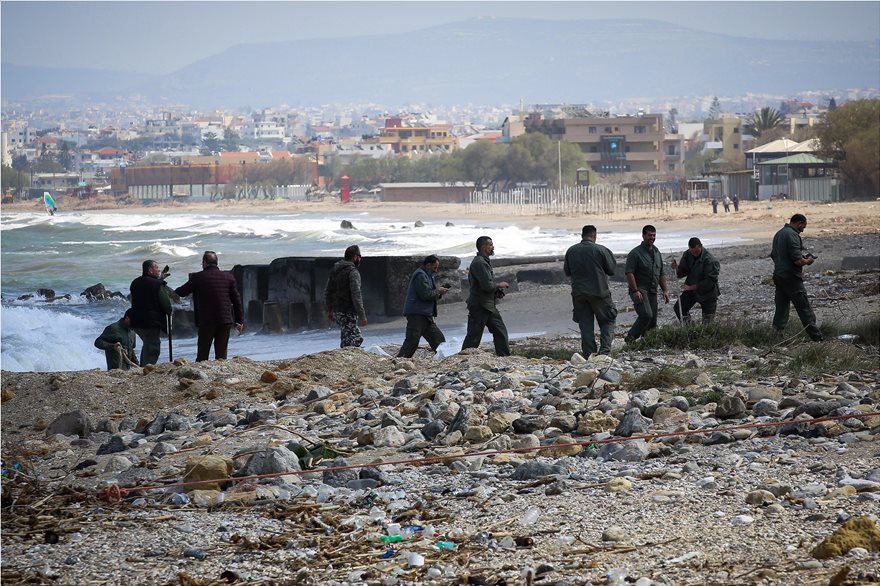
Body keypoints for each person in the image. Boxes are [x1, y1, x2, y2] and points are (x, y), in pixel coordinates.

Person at [174, 251, 244, 361]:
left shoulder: (198, 277)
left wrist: (168, 290)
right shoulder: (228, 277)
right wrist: (239, 321)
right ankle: (220, 376)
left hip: (206, 320)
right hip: (225, 320)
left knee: (203, 354)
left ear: (205, 263)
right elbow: (237, 300)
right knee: (221, 356)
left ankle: (201, 376)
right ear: (216, 262)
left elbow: (181, 292)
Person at [563, 225, 618, 356]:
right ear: (594, 235)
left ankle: (589, 354)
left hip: (579, 294)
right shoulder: (601, 250)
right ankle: (604, 352)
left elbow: (567, 271)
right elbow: (611, 270)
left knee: (585, 325)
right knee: (608, 320)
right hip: (599, 292)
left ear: (582, 235)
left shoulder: (571, 251)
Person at [770, 214, 823, 341]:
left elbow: (774, 255)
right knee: (804, 309)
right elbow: (797, 261)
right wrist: (808, 261)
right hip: (791, 277)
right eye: (803, 227)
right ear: (799, 223)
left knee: (781, 308)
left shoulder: (779, 234)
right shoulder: (792, 235)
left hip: (779, 276)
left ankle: (775, 338)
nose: (802, 230)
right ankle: (817, 338)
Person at [461, 236, 510, 356]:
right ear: (484, 247)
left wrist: (496, 290)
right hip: (480, 305)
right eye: (490, 245)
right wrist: (499, 284)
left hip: (487, 305)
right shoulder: (480, 263)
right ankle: (464, 358)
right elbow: (487, 286)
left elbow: (487, 285)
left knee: (500, 331)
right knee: (474, 336)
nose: (492, 247)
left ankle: (504, 357)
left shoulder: (484, 261)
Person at [397, 255, 449, 358]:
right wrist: (438, 291)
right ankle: (399, 362)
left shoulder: (426, 275)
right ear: (428, 265)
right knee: (412, 341)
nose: (436, 270)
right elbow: (425, 294)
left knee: (438, 339)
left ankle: (445, 358)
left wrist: (438, 293)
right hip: (417, 315)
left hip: (425, 315)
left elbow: (428, 293)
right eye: (435, 267)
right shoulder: (420, 275)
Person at [624, 225, 670, 344]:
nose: (652, 238)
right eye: (649, 235)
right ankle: (630, 338)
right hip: (640, 289)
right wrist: (635, 290)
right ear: (643, 235)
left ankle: (648, 342)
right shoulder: (635, 253)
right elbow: (629, 273)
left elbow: (661, 273)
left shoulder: (656, 252)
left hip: (652, 290)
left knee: (653, 320)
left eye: (654, 235)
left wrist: (665, 290)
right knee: (646, 314)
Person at [129, 259, 172, 366]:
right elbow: (166, 303)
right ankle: (147, 369)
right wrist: (169, 312)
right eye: (156, 267)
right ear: (150, 270)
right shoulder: (157, 284)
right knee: (153, 346)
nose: (159, 269)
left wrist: (160, 279)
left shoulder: (135, 282)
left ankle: (142, 367)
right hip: (151, 321)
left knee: (147, 344)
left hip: (136, 321)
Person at [324, 245, 367, 348]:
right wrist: (362, 315)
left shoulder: (335, 270)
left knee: (346, 336)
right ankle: (350, 359)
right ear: (355, 257)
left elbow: (328, 291)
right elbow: (356, 295)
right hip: (347, 312)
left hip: (337, 311)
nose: (359, 260)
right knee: (356, 339)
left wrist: (329, 310)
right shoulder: (353, 272)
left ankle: (344, 356)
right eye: (359, 257)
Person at [671, 237, 720, 323]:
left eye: (697, 252)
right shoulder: (687, 254)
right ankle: (690, 330)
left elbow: (710, 282)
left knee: (707, 323)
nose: (695, 254)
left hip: (708, 293)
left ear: (701, 246)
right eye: (692, 252)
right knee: (679, 308)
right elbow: (682, 272)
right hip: (692, 291)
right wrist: (676, 269)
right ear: (689, 249)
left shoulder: (710, 260)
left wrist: (691, 287)